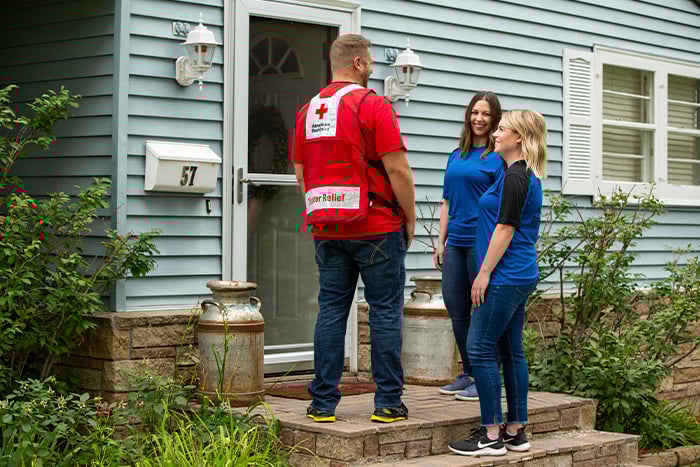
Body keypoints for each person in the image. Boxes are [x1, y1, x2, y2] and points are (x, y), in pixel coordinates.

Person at [293, 33, 416, 424]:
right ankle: (388, 403)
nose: (372, 69)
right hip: (376, 225)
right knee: (384, 312)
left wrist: (324, 209)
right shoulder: (373, 105)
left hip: (328, 227)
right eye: (371, 63)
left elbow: (301, 175)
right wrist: (409, 217)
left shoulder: (307, 112)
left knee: (331, 310)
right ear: (359, 64)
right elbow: (397, 169)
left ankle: (322, 404)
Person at [448, 109, 547, 456]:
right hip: (518, 273)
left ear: (518, 138)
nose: (495, 133)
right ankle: (515, 431)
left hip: (505, 275)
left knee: (479, 347)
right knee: (510, 350)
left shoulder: (518, 176)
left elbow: (506, 228)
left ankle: (491, 435)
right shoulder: (515, 173)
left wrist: (484, 272)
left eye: (502, 129)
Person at [435, 92, 503, 401]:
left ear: (495, 119)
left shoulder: (497, 158)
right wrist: (441, 242)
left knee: (482, 309)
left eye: (486, 114)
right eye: (475, 112)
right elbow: (446, 201)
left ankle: (487, 376)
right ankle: (469, 372)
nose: (479, 118)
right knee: (456, 308)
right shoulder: (456, 155)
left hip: (482, 243)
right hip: (456, 243)